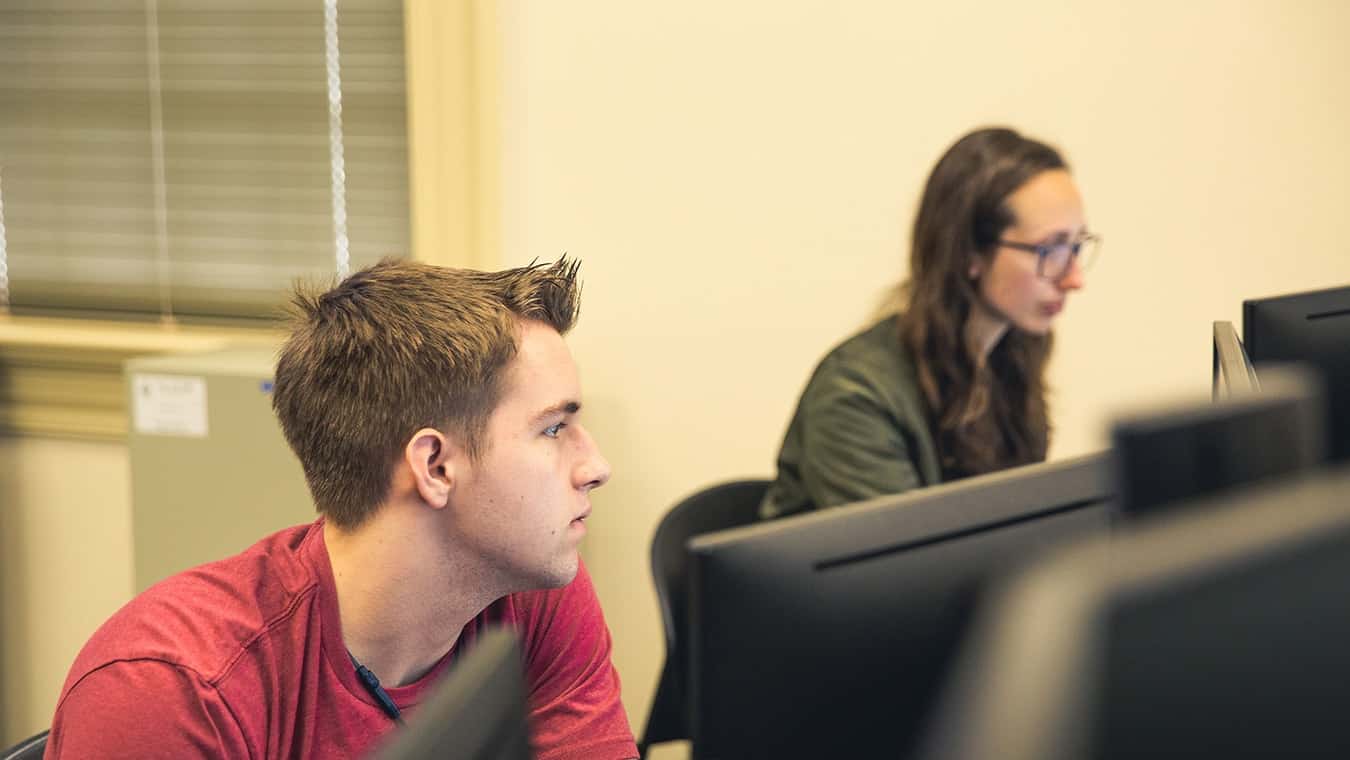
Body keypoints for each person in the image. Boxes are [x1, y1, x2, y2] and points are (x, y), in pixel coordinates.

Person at [45, 259, 639, 760]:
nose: (595, 466)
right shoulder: (171, 690)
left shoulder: (533, 591)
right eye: (555, 429)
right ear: (434, 467)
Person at [760, 127, 1098, 519]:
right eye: (1051, 249)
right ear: (969, 252)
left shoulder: (1012, 356)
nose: (1074, 278)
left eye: (1076, 246)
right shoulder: (855, 395)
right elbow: (909, 569)